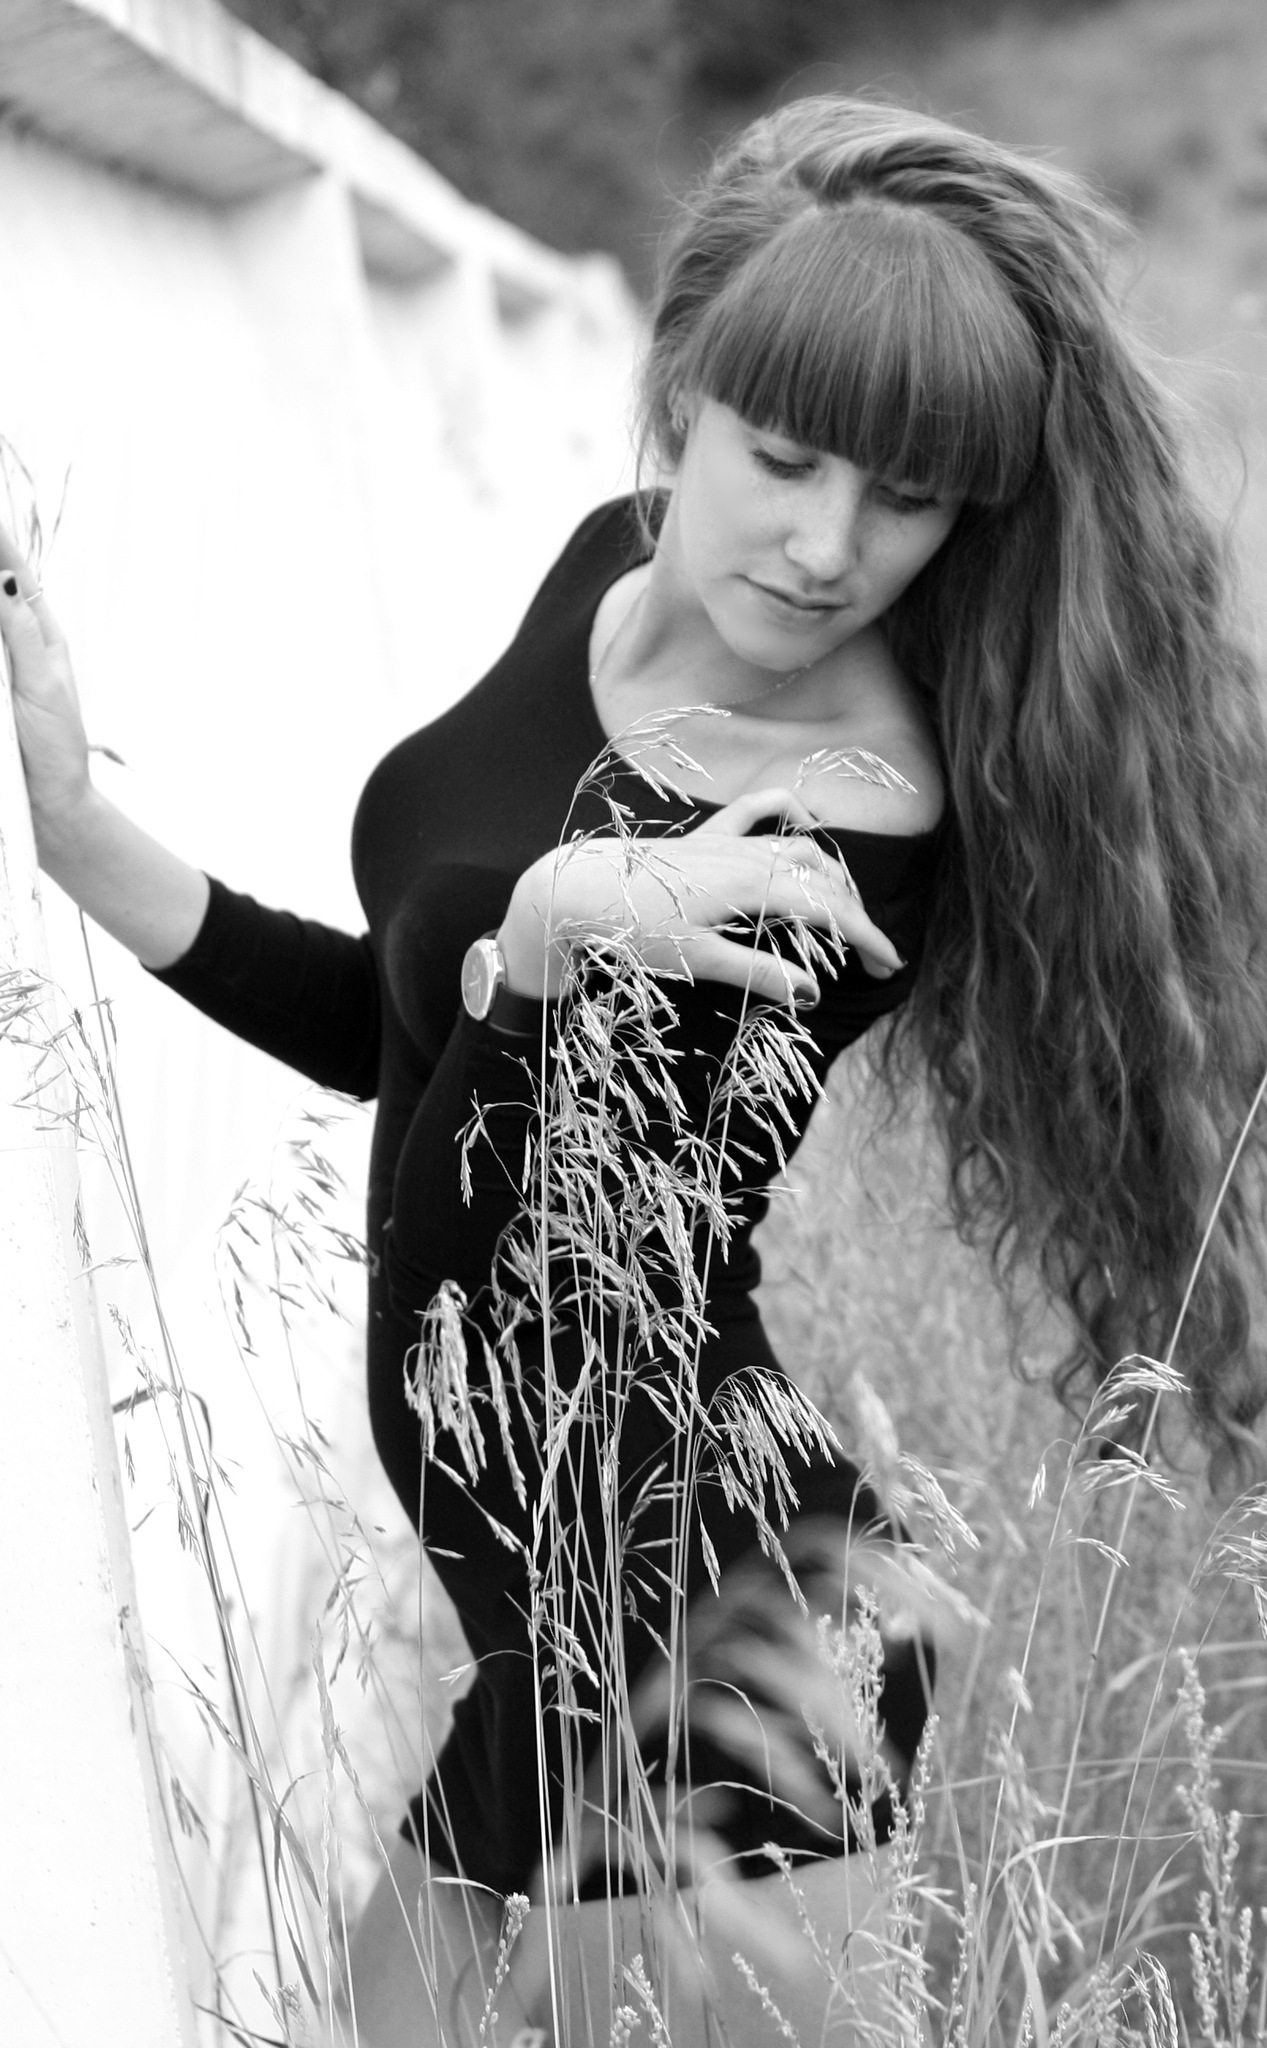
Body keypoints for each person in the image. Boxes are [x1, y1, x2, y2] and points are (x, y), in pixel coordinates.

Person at [7, 89, 1267, 2048]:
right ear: (679, 398)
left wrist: (544, 952)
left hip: (700, 1602)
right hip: (557, 1583)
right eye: (784, 457)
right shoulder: (611, 565)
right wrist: (86, 834)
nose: (830, 546)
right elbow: (397, 1028)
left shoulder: (843, 825)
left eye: (911, 497)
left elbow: (495, 1226)